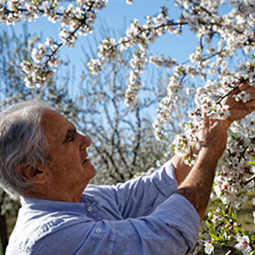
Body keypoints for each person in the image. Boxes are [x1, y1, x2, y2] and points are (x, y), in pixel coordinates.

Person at [2, 82, 255, 255]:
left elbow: (161, 184)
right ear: (34, 171)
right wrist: (210, 152)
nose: (86, 140)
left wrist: (220, 116)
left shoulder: (88, 200)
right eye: (69, 138)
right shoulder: (50, 238)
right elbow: (168, 238)